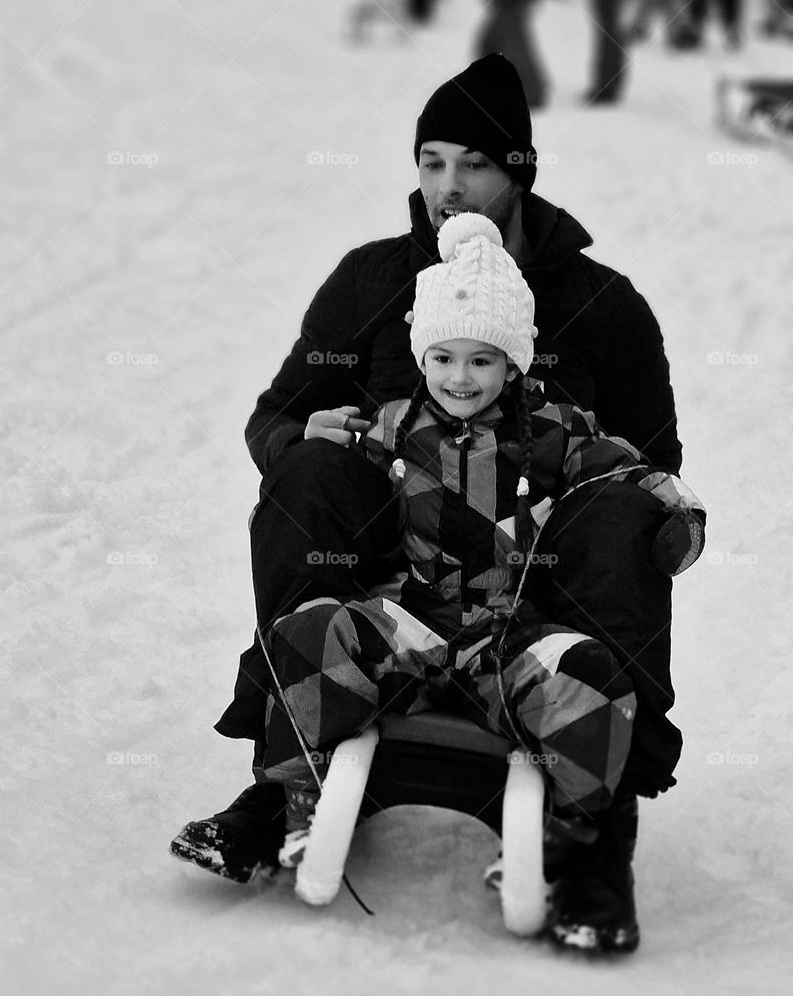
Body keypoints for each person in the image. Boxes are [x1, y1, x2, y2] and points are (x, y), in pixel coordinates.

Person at [171, 54, 684, 886]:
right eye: (432, 161)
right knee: (307, 472)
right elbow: (273, 417)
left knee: (627, 513)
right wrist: (304, 431)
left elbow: (653, 461)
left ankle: (595, 821)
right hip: (390, 573)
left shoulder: (601, 302)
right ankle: (288, 769)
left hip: (535, 581)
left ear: (518, 172)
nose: (449, 184)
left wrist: (618, 491)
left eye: (475, 164)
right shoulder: (373, 278)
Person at [257, 213, 704, 952]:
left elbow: (625, 467)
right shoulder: (393, 426)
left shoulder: (555, 433)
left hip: (507, 633)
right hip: (412, 620)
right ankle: (297, 797)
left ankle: (568, 835)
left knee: (590, 679)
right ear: (421, 355)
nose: (459, 378)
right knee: (311, 631)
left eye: (482, 361)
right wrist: (306, 434)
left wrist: (676, 507)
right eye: (442, 357)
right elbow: (331, 462)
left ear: (515, 362)